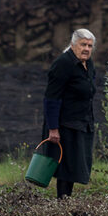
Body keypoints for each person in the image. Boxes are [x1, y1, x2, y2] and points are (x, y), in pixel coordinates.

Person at [43, 28, 97, 199]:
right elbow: (51, 98)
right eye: (83, 45)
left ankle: (66, 203)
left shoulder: (88, 64)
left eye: (89, 45)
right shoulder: (63, 64)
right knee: (66, 167)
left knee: (74, 166)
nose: (87, 49)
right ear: (73, 44)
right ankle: (63, 205)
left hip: (81, 122)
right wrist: (53, 129)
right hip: (64, 124)